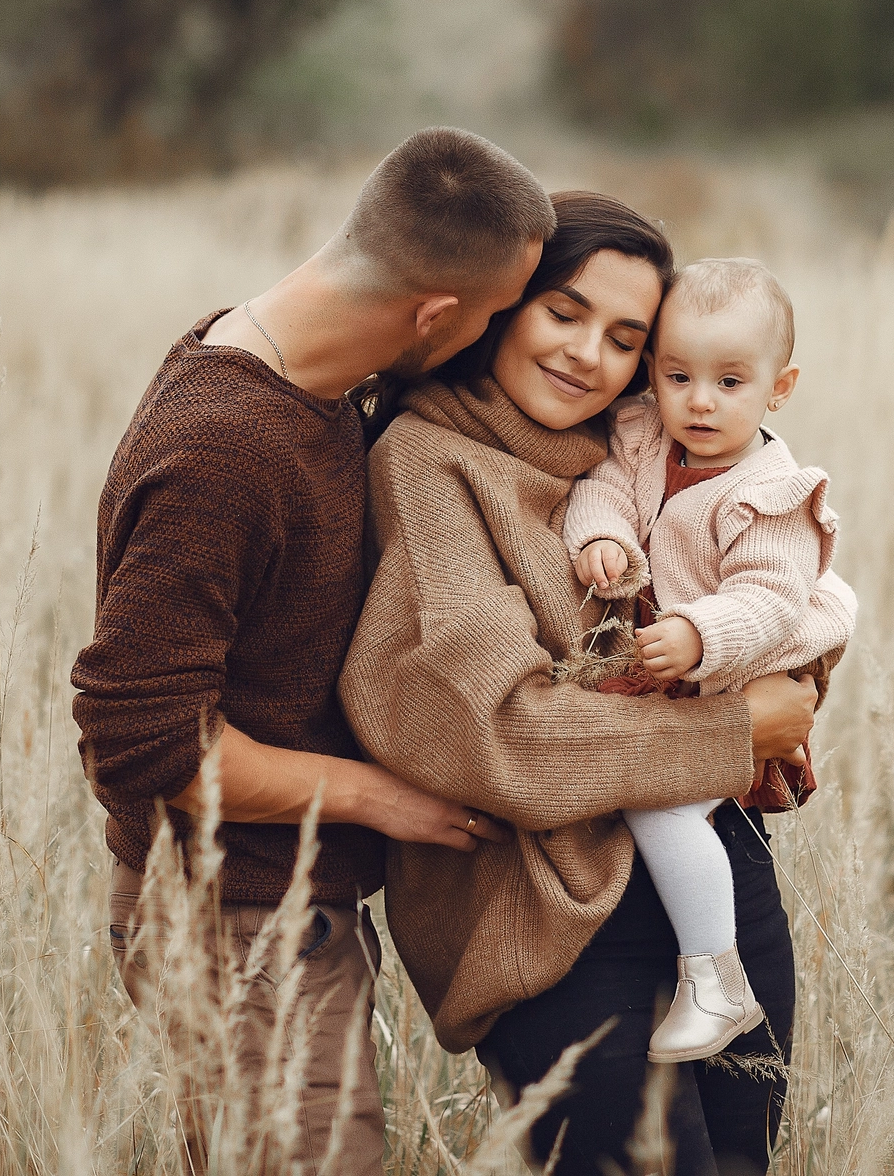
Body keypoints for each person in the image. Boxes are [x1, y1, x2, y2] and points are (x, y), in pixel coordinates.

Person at [70, 127, 553, 1174]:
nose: (497, 335)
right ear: (431, 312)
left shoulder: (305, 371)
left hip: (274, 916)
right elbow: (137, 738)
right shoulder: (224, 448)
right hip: (236, 922)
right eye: (491, 315)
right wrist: (379, 797)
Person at [338, 194, 835, 1176]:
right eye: (562, 311)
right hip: (554, 916)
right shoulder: (428, 461)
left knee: (741, 1160)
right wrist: (735, 730)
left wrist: (792, 664)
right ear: (501, 304)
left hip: (716, 879)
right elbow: (498, 728)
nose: (586, 355)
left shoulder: (645, 446)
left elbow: (779, 597)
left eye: (624, 337)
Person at [562, 256, 857, 1063]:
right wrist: (603, 538)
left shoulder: (773, 492)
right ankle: (705, 971)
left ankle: (716, 979)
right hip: (672, 693)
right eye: (678, 374)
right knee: (651, 799)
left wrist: (698, 633)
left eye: (730, 381)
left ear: (779, 386)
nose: (699, 400)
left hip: (725, 679)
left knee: (659, 805)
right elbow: (604, 490)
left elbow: (769, 598)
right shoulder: (642, 436)